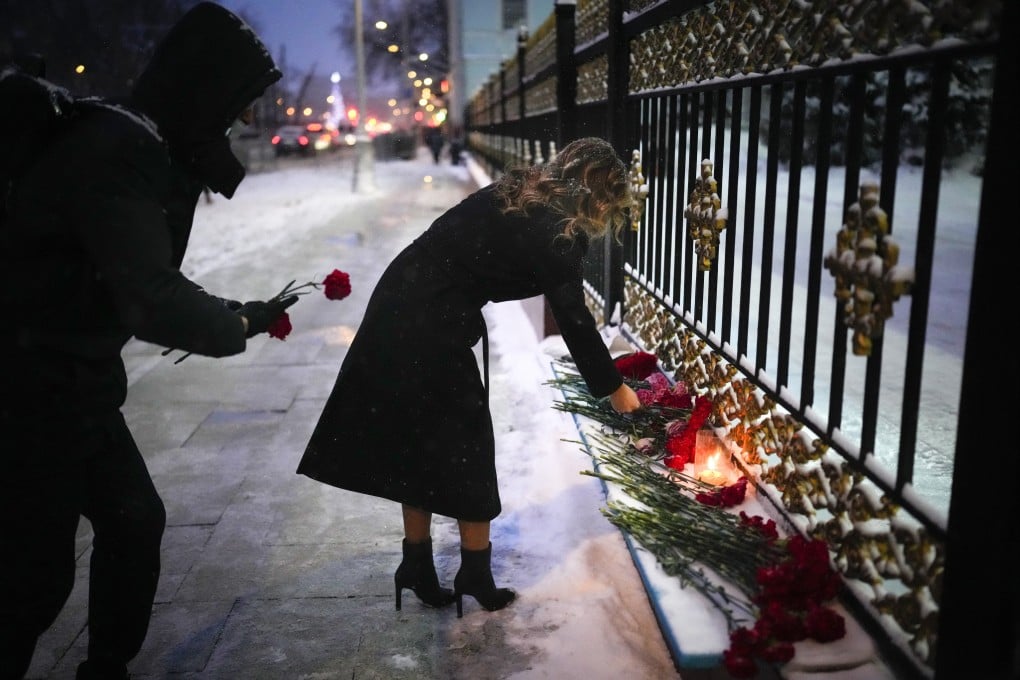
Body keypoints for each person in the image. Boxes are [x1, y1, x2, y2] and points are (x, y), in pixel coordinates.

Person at [0, 4, 296, 679]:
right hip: (25, 390)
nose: (244, 120)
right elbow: (148, 299)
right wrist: (232, 326)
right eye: (241, 103)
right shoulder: (114, 151)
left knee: (133, 521)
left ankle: (106, 668)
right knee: (32, 579)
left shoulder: (139, 145)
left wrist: (236, 313)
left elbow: (140, 280)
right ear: (205, 87)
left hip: (74, 385)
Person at [297, 137, 643, 618]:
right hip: (428, 320)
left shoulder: (523, 190)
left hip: (403, 300)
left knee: (421, 438)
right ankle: (474, 572)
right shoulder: (555, 229)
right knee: (466, 443)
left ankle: (416, 564)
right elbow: (574, 317)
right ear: (597, 194)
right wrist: (615, 389)